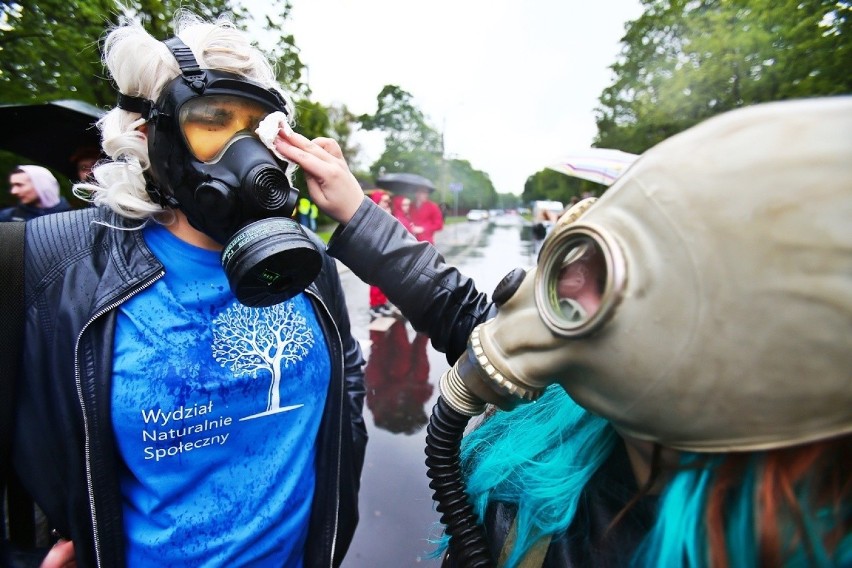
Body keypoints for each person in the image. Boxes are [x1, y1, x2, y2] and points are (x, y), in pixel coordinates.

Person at [271, 96, 851, 567]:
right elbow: (461, 310)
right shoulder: (592, 393)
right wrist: (356, 209)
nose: (564, 288)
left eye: (628, 274)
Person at [11, 13, 366, 568]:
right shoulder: (54, 267)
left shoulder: (306, 262)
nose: (246, 152)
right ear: (151, 135)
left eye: (261, 128)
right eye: (214, 121)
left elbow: (346, 373)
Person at [367, 190, 399, 318]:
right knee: (375, 282)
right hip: (374, 251)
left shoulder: (387, 213)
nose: (387, 203)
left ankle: (382, 304)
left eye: (388, 201)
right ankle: (374, 306)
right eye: (385, 200)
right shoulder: (372, 214)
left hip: (386, 250)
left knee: (385, 281)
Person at [0, 166, 71, 222]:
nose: (13, 191)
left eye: (19, 185)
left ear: (41, 185)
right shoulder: (9, 217)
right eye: (13, 185)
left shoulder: (71, 217)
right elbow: (11, 241)